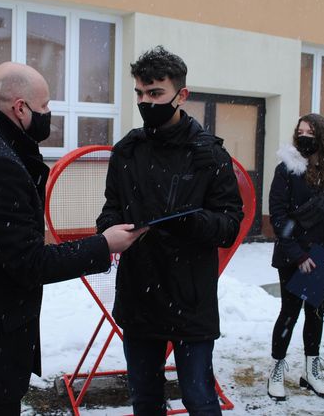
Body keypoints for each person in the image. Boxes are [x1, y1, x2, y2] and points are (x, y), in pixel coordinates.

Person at [0, 62, 145, 416]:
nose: (49, 116)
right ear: (20, 107)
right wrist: (104, 244)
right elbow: (28, 262)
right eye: (45, 107)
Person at [96, 46, 243, 415]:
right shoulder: (127, 151)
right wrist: (110, 228)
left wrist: (190, 222)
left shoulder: (209, 154)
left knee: (198, 397)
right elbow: (109, 209)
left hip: (191, 296)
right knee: (145, 398)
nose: (146, 102)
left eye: (156, 93)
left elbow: (229, 225)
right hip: (139, 293)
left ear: (182, 95)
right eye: (140, 94)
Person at [266, 113, 324, 401]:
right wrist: (298, 254)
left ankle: (311, 371)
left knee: (315, 314)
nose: (303, 137)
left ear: (323, 137)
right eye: (300, 131)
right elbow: (278, 216)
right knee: (289, 313)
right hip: (293, 255)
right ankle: (277, 369)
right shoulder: (286, 170)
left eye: (310, 132)